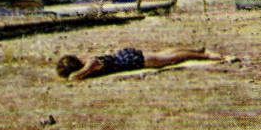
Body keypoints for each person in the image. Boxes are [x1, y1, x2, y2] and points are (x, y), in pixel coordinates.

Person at [56, 46, 224, 81]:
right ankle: (196, 50)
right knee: (165, 54)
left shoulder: (90, 64)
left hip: (134, 61)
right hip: (127, 56)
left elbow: (74, 78)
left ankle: (205, 55)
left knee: (173, 58)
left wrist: (75, 74)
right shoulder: (87, 60)